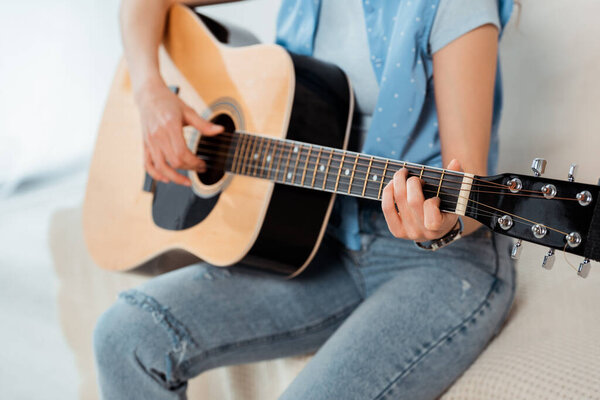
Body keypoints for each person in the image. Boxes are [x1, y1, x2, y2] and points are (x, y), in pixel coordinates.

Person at [93, 0, 516, 399]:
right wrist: (149, 92)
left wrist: (441, 225)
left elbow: (470, 186)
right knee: (124, 335)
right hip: (317, 241)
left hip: (437, 263)